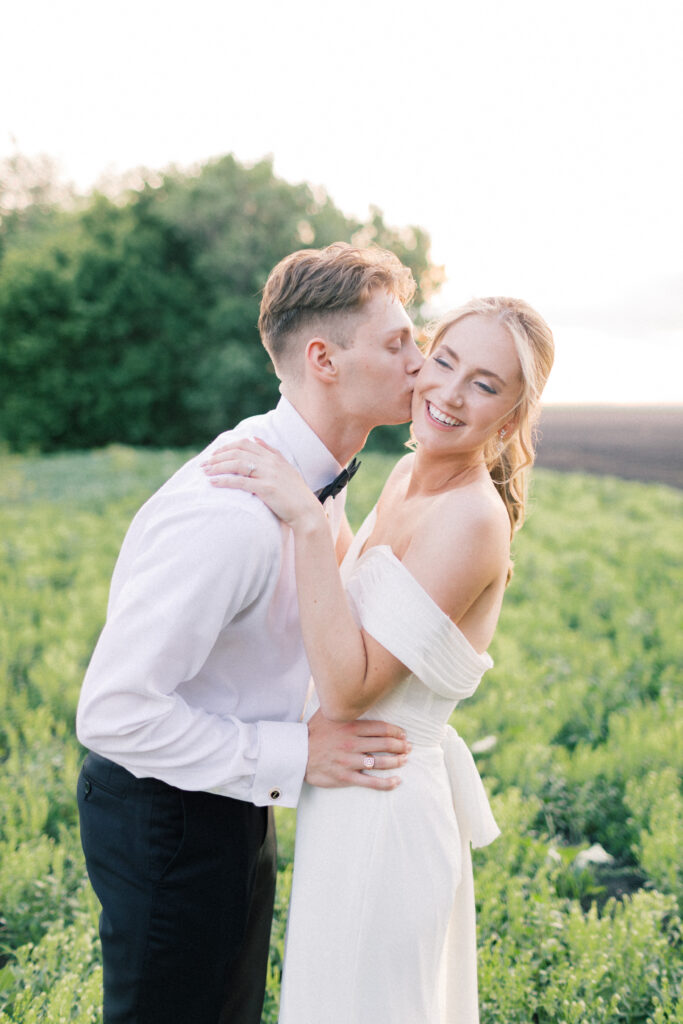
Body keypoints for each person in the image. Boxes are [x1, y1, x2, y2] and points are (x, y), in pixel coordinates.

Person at [75, 242, 425, 1024]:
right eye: (397, 342)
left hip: (232, 792)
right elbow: (112, 712)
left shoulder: (309, 479)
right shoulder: (228, 515)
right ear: (323, 359)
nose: (419, 361)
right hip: (165, 815)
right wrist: (300, 754)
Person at [202, 296, 555, 1023]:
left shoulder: (470, 518)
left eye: (484, 384)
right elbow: (352, 590)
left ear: (514, 414)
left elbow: (349, 691)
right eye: (445, 361)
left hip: (387, 810)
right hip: (349, 798)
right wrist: (311, 494)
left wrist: (303, 513)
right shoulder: (405, 475)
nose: (449, 393)